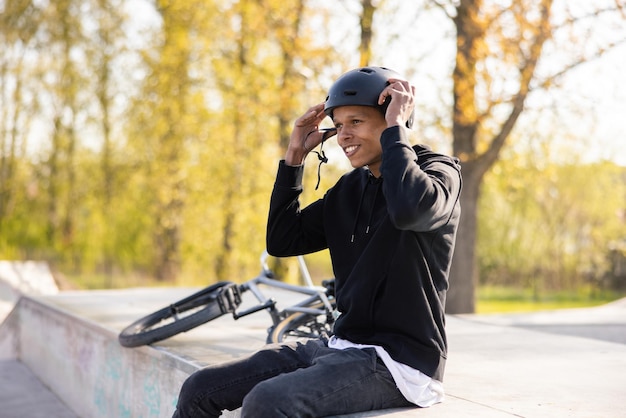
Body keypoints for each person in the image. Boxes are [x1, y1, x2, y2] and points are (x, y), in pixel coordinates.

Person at [172, 66, 462, 418]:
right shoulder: (351, 188)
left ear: (394, 117)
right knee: (200, 389)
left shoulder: (439, 174)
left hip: (400, 364)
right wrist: (294, 156)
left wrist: (397, 131)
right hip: (339, 346)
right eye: (339, 126)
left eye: (356, 122)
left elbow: (410, 211)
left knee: (268, 401)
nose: (343, 136)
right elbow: (283, 240)